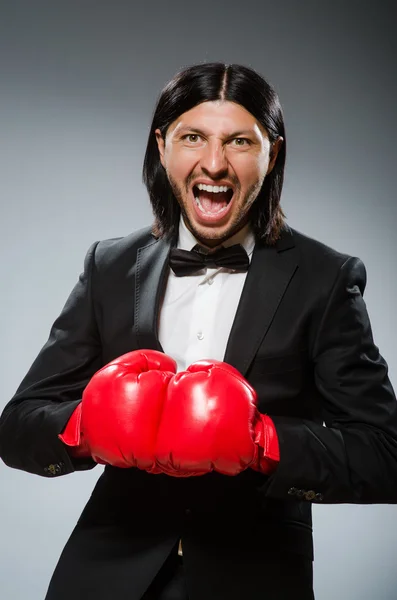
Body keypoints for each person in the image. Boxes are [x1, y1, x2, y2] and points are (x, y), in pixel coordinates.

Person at [1, 62, 397, 600]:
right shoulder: (111, 266)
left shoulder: (326, 279)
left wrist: (268, 444)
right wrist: (84, 429)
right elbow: (17, 425)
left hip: (255, 575)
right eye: (193, 138)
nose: (214, 163)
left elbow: (384, 454)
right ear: (163, 146)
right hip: (107, 569)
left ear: (271, 154)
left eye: (239, 141)